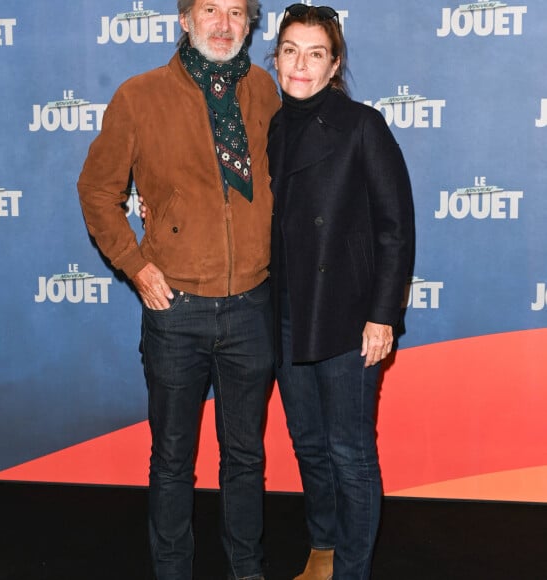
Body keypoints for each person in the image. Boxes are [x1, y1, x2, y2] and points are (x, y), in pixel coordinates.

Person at [77, 1, 279, 578]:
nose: (223, 23)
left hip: (251, 306)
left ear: (249, 24)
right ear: (185, 19)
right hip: (177, 312)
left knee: (245, 458)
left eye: (236, 12)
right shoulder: (139, 96)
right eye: (209, 9)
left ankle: (247, 569)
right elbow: (97, 190)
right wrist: (135, 265)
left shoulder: (263, 90)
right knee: (172, 461)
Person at [268, 5, 414, 580]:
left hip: (349, 318)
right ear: (275, 57)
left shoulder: (362, 125)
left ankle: (353, 570)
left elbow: (395, 228)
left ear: (334, 65)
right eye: (290, 50)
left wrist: (382, 317)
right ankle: (323, 549)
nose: (301, 64)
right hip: (284, 313)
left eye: (316, 53)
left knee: (350, 454)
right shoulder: (273, 127)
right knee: (307, 443)